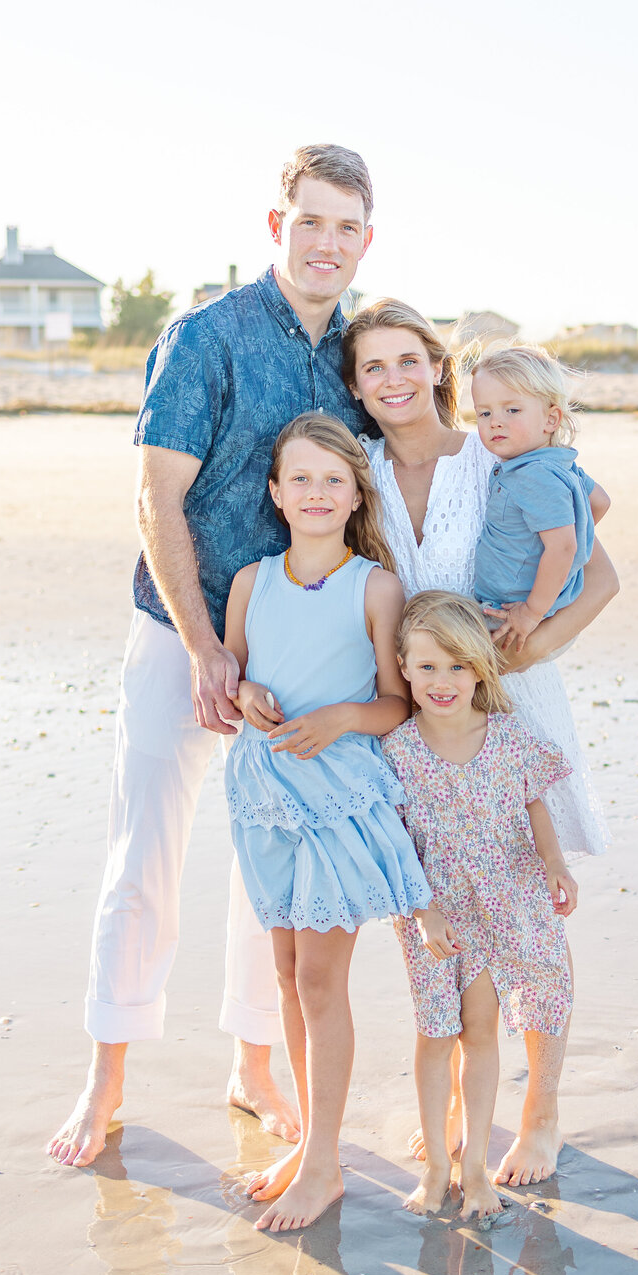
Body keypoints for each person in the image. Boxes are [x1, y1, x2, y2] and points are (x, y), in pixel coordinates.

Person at [47, 144, 376, 1169]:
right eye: (311, 221)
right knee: (143, 855)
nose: (327, 243)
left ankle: (253, 1062)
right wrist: (201, 647)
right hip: (177, 638)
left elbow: (412, 459)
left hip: (292, 647)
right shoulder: (207, 335)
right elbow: (155, 495)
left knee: (267, 867)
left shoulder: (358, 353)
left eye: (347, 227)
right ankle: (105, 1081)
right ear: (277, 227)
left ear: (367, 241)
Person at [343, 298, 619, 1185]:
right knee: (449, 915)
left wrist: (534, 642)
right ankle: (467, 1103)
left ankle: (541, 1108)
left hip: (514, 700)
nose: (392, 382)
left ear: (437, 370)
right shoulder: (362, 474)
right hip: (425, 718)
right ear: (356, 386)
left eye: (408, 363)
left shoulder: (494, 454)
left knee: (529, 914)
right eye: (371, 368)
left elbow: (598, 564)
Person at [225, 414, 430, 1231]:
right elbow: (238, 676)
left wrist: (342, 716)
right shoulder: (250, 580)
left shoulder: (373, 586)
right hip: (265, 794)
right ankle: (313, 1142)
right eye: (299, 478)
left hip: (339, 798)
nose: (315, 492)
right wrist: (245, 696)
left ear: (355, 495)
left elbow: (396, 702)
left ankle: (325, 1164)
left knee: (319, 979)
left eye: (332, 480)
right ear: (276, 493)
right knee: (284, 973)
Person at [383, 591, 577, 1220]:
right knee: (436, 1033)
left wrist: (554, 863)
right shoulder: (397, 751)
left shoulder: (508, 736)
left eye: (459, 666)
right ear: (404, 667)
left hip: (499, 905)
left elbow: (534, 804)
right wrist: (421, 910)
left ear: (482, 670)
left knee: (483, 1031)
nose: (444, 681)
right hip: (434, 915)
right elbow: (393, 844)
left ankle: (474, 1170)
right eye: (429, 666)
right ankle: (437, 1166)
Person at [470, 343, 608, 655]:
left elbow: (562, 546)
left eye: (512, 410)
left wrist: (532, 611)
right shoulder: (558, 463)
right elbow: (600, 501)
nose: (495, 421)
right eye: (484, 412)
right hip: (532, 605)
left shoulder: (534, 476)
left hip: (511, 614)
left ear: (550, 419)